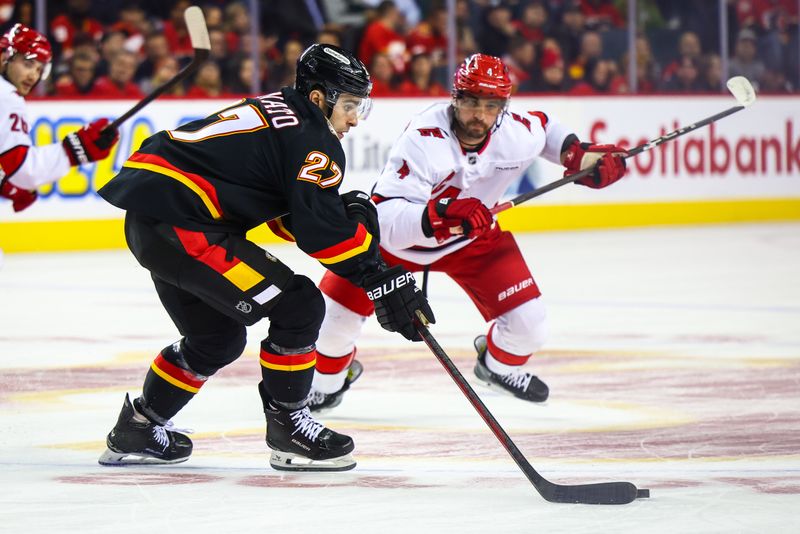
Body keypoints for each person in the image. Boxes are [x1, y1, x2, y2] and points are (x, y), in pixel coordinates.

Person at [95, 43, 434, 472]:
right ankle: (290, 427)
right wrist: (378, 274)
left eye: (360, 106)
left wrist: (335, 217)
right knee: (300, 305)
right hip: (186, 227)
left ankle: (140, 426)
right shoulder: (314, 140)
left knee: (217, 338)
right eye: (349, 105)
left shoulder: (282, 109)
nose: (354, 118)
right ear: (318, 98)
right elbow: (318, 236)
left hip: (158, 219)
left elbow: (285, 216)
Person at [306, 53, 627, 411]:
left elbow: (547, 127)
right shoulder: (424, 137)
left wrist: (579, 158)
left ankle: (497, 367)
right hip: (397, 245)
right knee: (330, 327)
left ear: (504, 106)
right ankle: (333, 382)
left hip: (473, 238)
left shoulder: (515, 132)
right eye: (472, 102)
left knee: (530, 326)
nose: (480, 115)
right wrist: (438, 216)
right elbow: (386, 219)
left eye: (492, 106)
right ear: (455, 97)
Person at [0, 23, 119, 214]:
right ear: (4, 57)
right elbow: (23, 170)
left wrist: (5, 184)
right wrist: (74, 149)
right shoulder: (6, 96)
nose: (33, 75)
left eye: (39, 69)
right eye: (28, 64)